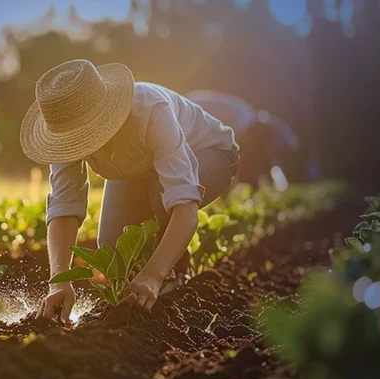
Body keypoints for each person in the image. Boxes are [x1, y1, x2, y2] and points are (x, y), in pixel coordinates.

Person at [21, 60, 240, 326]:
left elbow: (185, 207)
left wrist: (153, 276)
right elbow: (65, 207)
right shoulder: (64, 133)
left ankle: (176, 273)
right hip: (141, 170)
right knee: (116, 253)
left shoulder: (151, 111)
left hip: (211, 154)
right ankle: (158, 269)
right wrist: (59, 281)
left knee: (162, 193)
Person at [186, 90, 299, 186]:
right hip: (246, 123)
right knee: (251, 159)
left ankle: (259, 184)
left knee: (250, 159)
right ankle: (260, 184)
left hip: (245, 125)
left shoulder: (189, 106)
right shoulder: (189, 102)